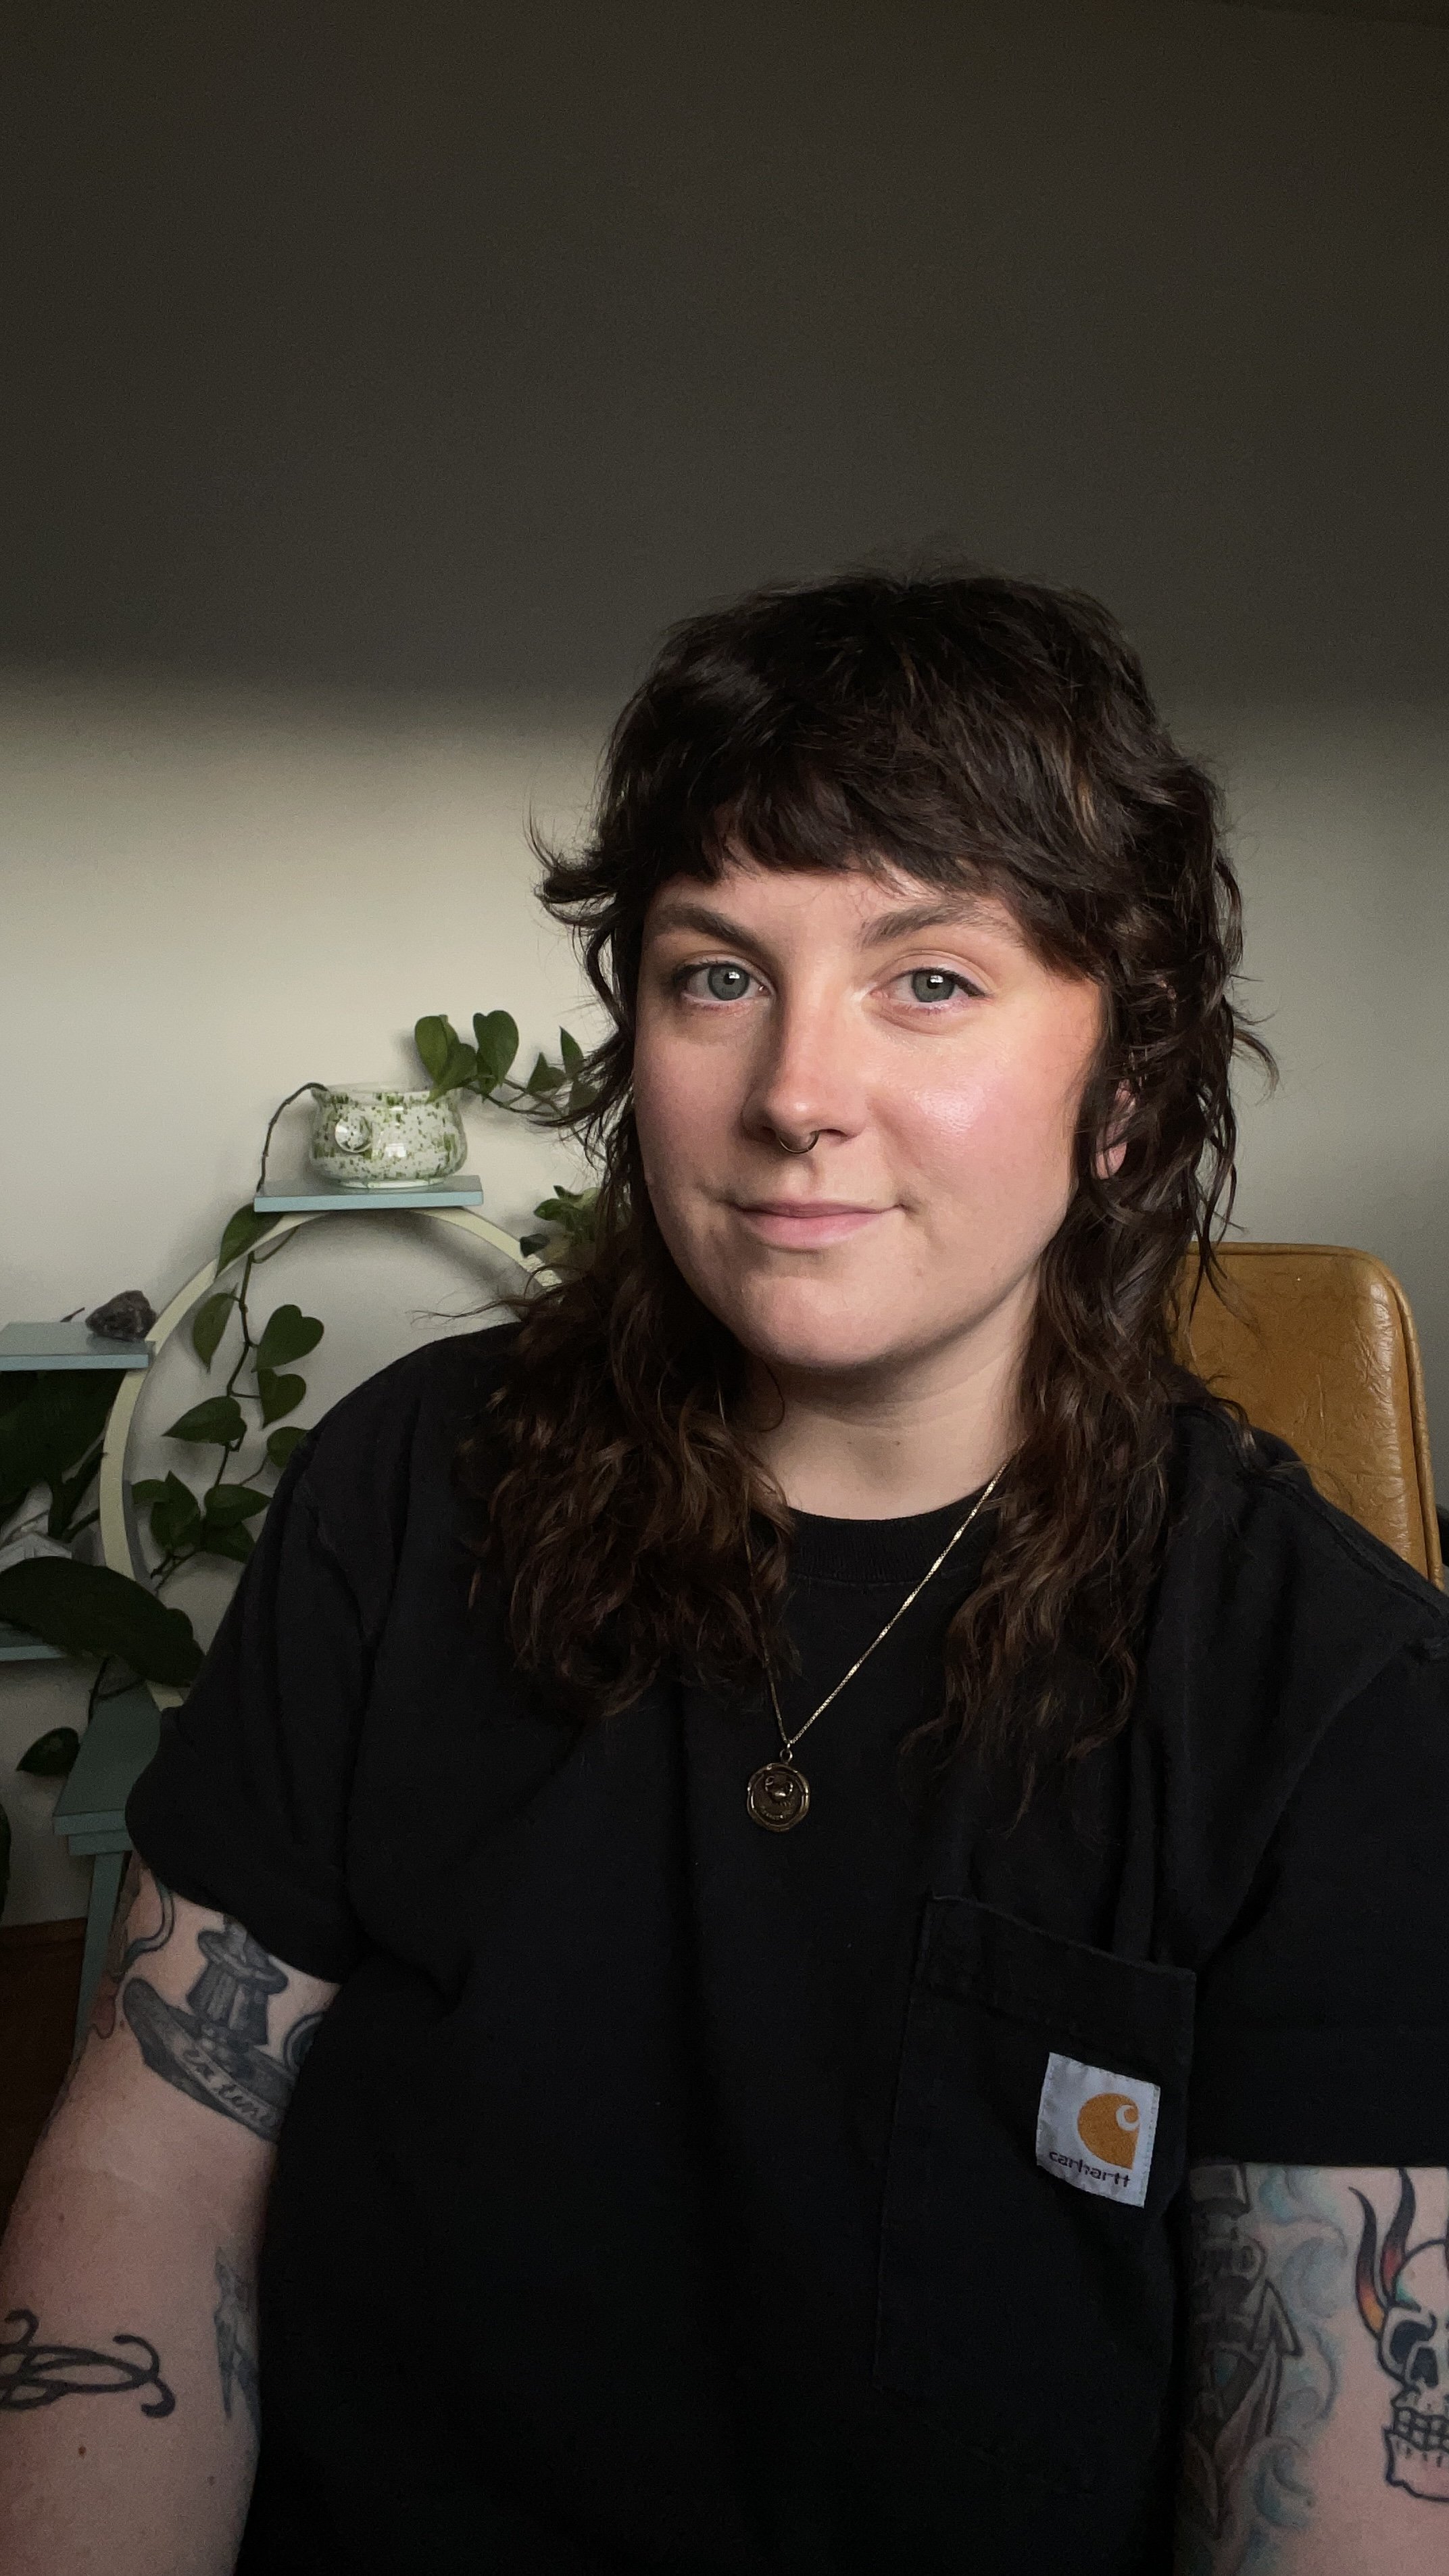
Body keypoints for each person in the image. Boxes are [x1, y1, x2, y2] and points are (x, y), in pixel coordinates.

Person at [1, 571, 1446, 2576]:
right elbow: (156, 2168)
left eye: (929, 980)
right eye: (716, 974)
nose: (794, 1094)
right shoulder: (403, 1490)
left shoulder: (1339, 1705)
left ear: (1124, 1092)